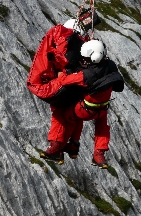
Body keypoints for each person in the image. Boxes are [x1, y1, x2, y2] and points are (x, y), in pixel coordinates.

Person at [40, 39, 124, 169]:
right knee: (102, 126)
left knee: (61, 113)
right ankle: (98, 154)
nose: (84, 61)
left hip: (84, 110)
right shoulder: (110, 65)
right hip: (102, 109)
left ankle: (56, 147)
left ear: (94, 57)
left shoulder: (85, 75)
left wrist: (61, 73)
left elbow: (65, 81)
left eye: (86, 59)